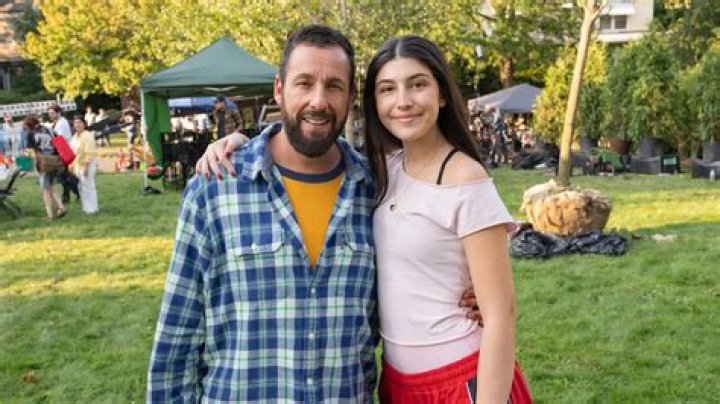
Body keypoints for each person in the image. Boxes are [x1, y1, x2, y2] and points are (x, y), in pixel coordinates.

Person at [197, 35, 532, 403]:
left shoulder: (466, 179)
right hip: (398, 384)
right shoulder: (380, 172)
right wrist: (240, 142)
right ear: (374, 102)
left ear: (441, 94)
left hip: (461, 377)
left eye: (418, 84)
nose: (403, 101)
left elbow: (501, 313)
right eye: (388, 89)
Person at [148, 25, 379, 402]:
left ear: (351, 96)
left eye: (334, 86)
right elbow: (177, 340)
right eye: (304, 83)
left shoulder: (374, 192)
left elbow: (401, 308)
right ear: (279, 89)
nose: (318, 101)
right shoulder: (216, 187)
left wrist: (468, 294)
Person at [24, 115, 66, 219]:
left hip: (43, 163)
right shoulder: (48, 129)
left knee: (45, 189)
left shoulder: (31, 134)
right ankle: (61, 207)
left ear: (28, 125)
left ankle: (50, 215)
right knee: (51, 186)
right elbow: (60, 142)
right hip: (54, 161)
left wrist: (25, 165)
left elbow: (29, 151)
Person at [47, 105, 80, 202]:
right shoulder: (57, 123)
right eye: (49, 113)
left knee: (64, 176)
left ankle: (77, 192)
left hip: (64, 151)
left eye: (52, 113)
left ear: (58, 112)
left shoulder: (62, 123)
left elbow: (59, 138)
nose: (50, 115)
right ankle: (67, 195)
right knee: (63, 176)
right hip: (61, 151)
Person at [69, 116, 99, 214]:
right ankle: (85, 207)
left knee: (88, 186)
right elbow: (72, 151)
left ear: (84, 124)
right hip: (77, 163)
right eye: (76, 123)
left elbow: (89, 152)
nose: (78, 125)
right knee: (81, 186)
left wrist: (86, 167)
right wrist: (71, 164)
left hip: (87, 163)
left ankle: (92, 209)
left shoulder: (88, 135)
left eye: (80, 122)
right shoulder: (74, 136)